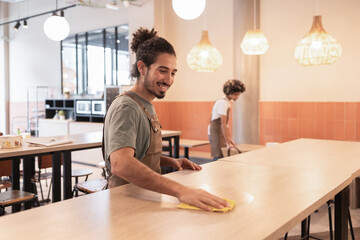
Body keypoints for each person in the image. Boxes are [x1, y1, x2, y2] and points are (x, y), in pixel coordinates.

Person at [103, 28, 229, 211]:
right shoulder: (126, 107)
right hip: (126, 204)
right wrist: (181, 190)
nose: (169, 80)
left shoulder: (145, 103)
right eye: (163, 71)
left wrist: (171, 161)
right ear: (142, 68)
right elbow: (121, 164)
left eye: (173, 73)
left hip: (147, 199)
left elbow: (139, 154)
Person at [209, 79, 246, 160]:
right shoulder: (222, 102)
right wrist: (228, 143)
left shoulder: (227, 102)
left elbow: (226, 124)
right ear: (229, 93)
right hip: (215, 132)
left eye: (238, 94)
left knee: (222, 156)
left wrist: (229, 139)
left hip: (220, 132)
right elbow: (223, 124)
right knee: (218, 157)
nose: (237, 97)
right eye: (236, 94)